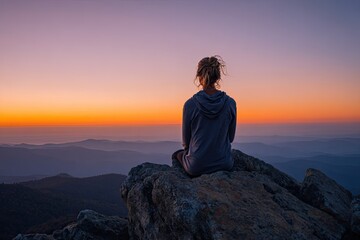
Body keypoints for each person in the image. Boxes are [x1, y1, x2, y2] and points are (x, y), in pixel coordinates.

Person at [173, 56, 237, 176]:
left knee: (177, 154)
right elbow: (231, 137)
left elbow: (186, 142)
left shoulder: (190, 104)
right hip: (224, 164)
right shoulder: (230, 103)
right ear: (218, 77)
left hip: (196, 167)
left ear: (199, 76)